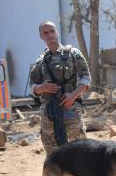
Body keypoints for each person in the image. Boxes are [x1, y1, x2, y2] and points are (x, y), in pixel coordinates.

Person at [30, 21, 91, 156]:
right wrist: (41, 88)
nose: (50, 35)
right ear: (41, 36)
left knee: (80, 150)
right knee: (53, 153)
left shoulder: (73, 54)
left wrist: (73, 96)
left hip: (70, 109)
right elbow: (32, 86)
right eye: (46, 33)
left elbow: (86, 79)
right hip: (49, 112)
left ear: (57, 32)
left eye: (52, 31)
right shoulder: (40, 61)